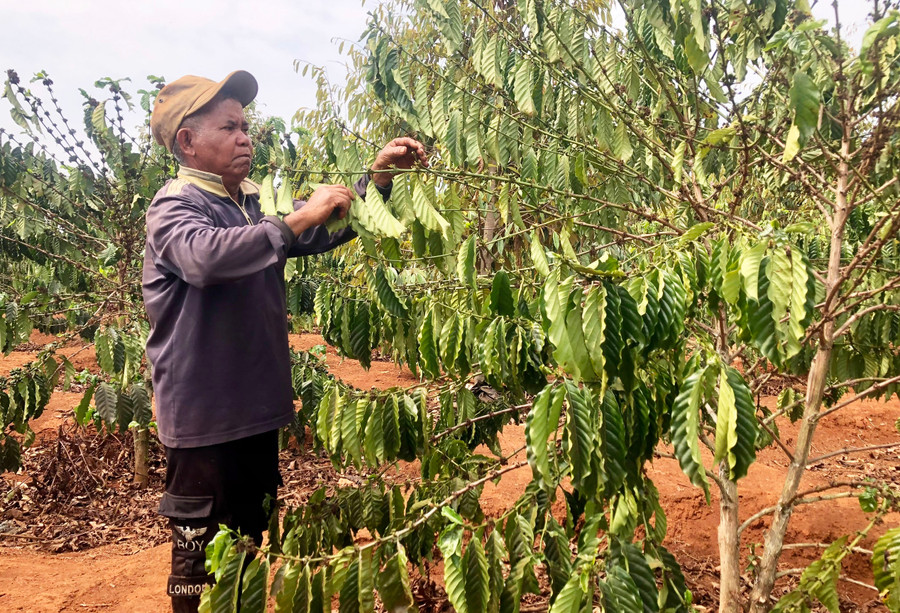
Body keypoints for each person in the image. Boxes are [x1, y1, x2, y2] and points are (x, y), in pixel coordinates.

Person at [143, 70, 426, 613]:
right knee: (197, 564)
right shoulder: (174, 207)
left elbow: (318, 230)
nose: (246, 137)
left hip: (255, 414)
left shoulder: (249, 204)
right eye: (229, 127)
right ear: (187, 141)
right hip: (203, 424)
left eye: (246, 126)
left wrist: (376, 179)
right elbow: (206, 257)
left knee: (247, 547)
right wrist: (297, 216)